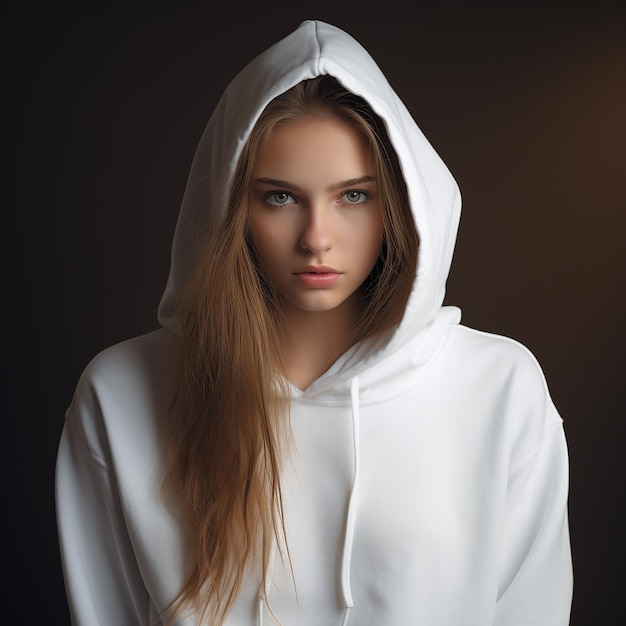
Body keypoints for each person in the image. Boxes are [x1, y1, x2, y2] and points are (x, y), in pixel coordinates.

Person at [55, 19, 573, 626]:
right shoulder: (120, 395)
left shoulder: (498, 386)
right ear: (229, 205)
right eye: (279, 196)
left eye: (354, 195)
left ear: (401, 204)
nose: (316, 239)